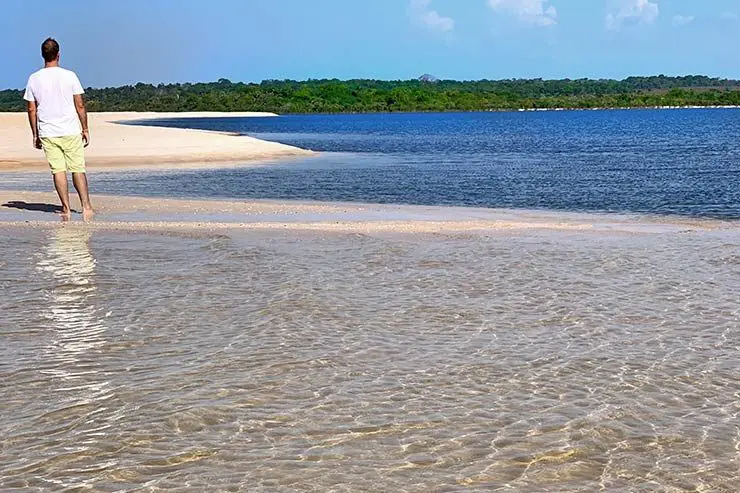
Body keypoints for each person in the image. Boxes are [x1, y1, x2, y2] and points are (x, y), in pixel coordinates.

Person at [24, 38, 94, 221]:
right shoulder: (70, 75)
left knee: (58, 170)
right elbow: (79, 104)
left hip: (48, 131)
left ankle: (66, 208)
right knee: (78, 168)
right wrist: (85, 128)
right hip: (70, 129)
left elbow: (32, 108)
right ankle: (86, 207)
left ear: (42, 55)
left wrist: (35, 134)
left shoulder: (34, 78)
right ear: (58, 54)